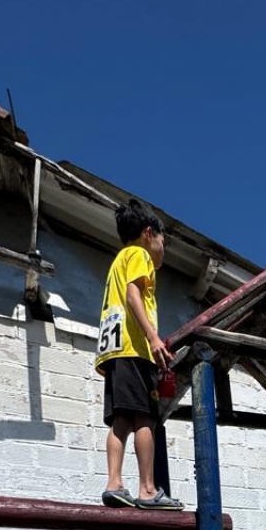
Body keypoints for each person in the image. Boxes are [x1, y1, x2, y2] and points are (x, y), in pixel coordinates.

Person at [95, 197, 182, 510]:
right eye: (163, 241)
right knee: (146, 417)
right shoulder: (139, 256)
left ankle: (114, 483)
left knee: (121, 420)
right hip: (134, 348)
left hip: (115, 352)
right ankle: (147, 488)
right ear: (149, 233)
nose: (162, 249)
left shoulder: (118, 260)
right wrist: (153, 336)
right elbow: (134, 295)